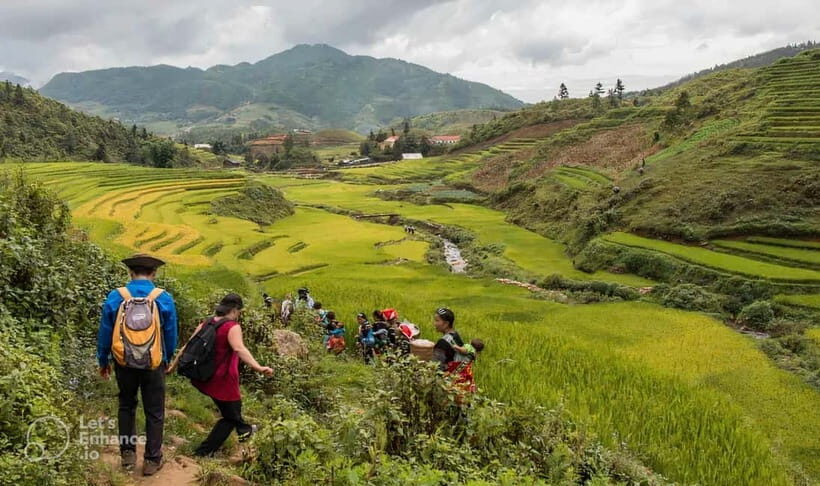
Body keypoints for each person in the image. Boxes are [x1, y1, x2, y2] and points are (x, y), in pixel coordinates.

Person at [97, 254, 178, 475]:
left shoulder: (117, 296)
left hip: (123, 362)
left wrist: (103, 360)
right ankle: (152, 460)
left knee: (126, 405)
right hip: (154, 363)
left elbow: (105, 332)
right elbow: (170, 335)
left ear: (130, 273)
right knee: (155, 411)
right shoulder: (163, 298)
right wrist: (167, 359)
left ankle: (127, 456)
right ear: (154, 274)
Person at [189, 294, 273, 457]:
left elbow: (189, 345)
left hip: (207, 377)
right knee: (231, 417)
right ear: (235, 310)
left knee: (232, 414)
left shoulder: (206, 322)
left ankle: (245, 431)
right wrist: (259, 367)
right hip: (225, 380)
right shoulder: (232, 326)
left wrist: (173, 365)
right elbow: (239, 349)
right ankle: (203, 452)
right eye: (239, 311)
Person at [431, 307, 476, 393]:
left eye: (437, 321)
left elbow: (436, 366)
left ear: (446, 323)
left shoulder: (443, 342)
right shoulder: (455, 335)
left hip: (450, 385)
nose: (434, 323)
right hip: (462, 380)